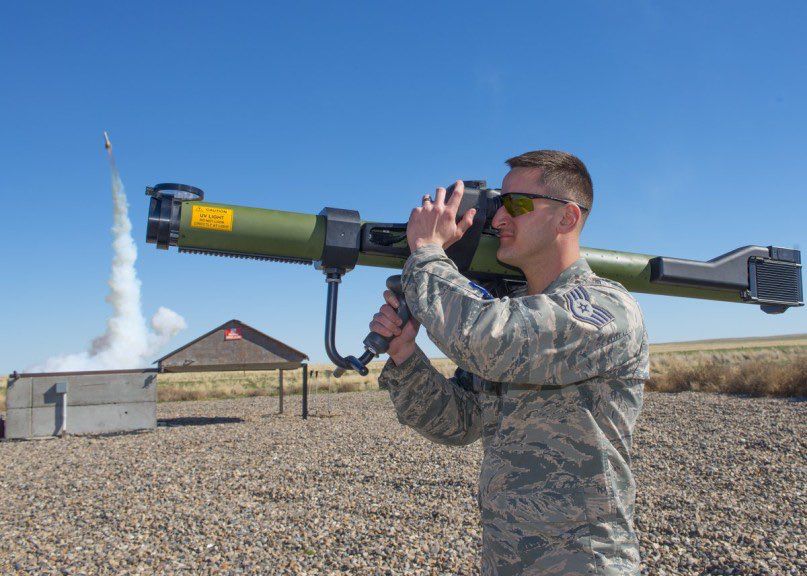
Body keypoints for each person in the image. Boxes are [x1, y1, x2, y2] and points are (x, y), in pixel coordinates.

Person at [373, 150, 649, 575]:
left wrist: (428, 252)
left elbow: (487, 340)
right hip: (507, 559)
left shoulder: (603, 309)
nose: (499, 219)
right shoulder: (515, 312)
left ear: (567, 219)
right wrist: (406, 356)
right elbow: (462, 422)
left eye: (516, 205)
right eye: (498, 205)